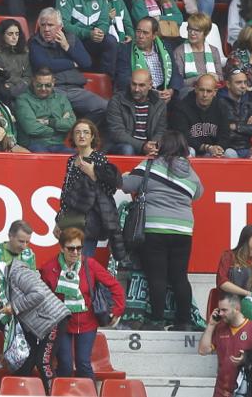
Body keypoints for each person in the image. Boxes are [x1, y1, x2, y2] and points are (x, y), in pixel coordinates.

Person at [122, 131, 203, 330]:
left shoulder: (150, 165)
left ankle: (156, 320)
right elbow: (199, 193)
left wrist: (126, 175)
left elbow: (126, 185)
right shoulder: (190, 171)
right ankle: (184, 322)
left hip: (155, 228)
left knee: (157, 276)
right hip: (183, 230)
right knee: (179, 277)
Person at [0, 257, 70, 390]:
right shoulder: (3, 284)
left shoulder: (17, 273)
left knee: (43, 362)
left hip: (53, 319)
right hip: (36, 325)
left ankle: (54, 393)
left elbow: (39, 293)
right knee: (24, 362)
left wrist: (14, 306)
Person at [40, 227, 125, 378]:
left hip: (87, 321)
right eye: (71, 248)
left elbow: (115, 286)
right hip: (62, 323)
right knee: (65, 365)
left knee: (83, 364)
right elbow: (40, 297)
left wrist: (116, 310)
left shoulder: (89, 264)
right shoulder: (49, 268)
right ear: (61, 248)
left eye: (79, 248)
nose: (75, 252)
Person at [58, 119, 125, 261]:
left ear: (92, 136)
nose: (81, 136)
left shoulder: (98, 158)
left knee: (83, 261)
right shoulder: (71, 160)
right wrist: (60, 220)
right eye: (77, 132)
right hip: (71, 218)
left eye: (86, 132)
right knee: (69, 262)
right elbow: (67, 193)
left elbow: (110, 189)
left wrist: (93, 173)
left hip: (89, 219)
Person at [30, 7, 109, 121]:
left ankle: (79, 130)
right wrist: (72, 63)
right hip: (53, 89)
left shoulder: (71, 38)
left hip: (75, 89)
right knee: (55, 115)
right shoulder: (35, 42)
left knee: (104, 107)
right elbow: (44, 65)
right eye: (43, 25)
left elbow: (86, 63)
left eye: (50, 25)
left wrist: (66, 47)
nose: (46, 29)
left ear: (60, 27)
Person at [198, 294, 252, 397]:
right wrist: (211, 325)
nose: (221, 314)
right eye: (219, 310)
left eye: (224, 310)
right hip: (221, 390)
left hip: (244, 390)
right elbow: (203, 350)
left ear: (236, 309)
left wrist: (248, 357)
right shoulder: (220, 328)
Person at [57, 0, 118, 76]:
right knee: (71, 36)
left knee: (111, 41)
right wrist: (88, 33)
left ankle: (107, 81)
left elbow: (104, 21)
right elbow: (63, 24)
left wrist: (100, 32)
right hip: (74, 39)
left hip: (92, 39)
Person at [114, 17, 182, 104]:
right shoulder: (125, 50)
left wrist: (171, 91)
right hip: (138, 94)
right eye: (138, 31)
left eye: (145, 33)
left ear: (154, 35)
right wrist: (151, 93)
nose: (141, 36)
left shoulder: (165, 48)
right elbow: (123, 79)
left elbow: (175, 74)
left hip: (164, 93)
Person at [170, 74, 236, 157]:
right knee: (189, 151)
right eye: (201, 90)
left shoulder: (221, 107)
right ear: (196, 89)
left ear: (215, 92)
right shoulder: (182, 107)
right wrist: (207, 147)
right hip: (194, 149)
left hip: (213, 151)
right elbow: (183, 137)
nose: (205, 95)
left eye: (209, 91)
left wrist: (219, 147)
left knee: (230, 153)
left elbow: (225, 135)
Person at [104, 69, 167, 155]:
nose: (136, 89)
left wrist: (152, 146)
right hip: (122, 146)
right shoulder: (117, 101)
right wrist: (142, 146)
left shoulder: (159, 103)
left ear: (150, 85)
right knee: (127, 149)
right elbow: (117, 133)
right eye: (134, 84)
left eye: (141, 85)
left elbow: (160, 131)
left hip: (148, 146)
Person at [15, 68, 78, 153]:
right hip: (34, 144)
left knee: (75, 157)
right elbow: (32, 129)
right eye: (39, 85)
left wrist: (49, 122)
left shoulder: (61, 99)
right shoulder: (22, 100)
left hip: (58, 144)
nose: (43, 89)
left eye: (48, 85)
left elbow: (72, 124)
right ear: (33, 82)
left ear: (53, 82)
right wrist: (59, 129)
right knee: (43, 158)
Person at [219, 68, 252, 157]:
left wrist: (236, 126)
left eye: (245, 82)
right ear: (228, 84)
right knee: (230, 154)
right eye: (238, 82)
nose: (243, 86)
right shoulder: (219, 102)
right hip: (228, 148)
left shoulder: (249, 101)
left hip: (247, 148)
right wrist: (247, 126)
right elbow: (223, 130)